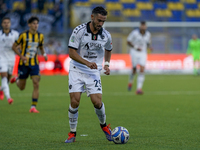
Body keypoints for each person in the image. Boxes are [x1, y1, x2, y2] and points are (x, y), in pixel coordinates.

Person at [65, 6, 113, 143]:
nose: (101, 24)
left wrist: (107, 64)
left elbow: (109, 49)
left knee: (97, 102)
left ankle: (104, 126)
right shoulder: (79, 31)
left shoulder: (106, 35)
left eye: (103, 21)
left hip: (93, 71)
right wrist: (86, 62)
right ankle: (72, 133)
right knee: (74, 101)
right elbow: (72, 53)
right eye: (99, 20)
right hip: (77, 69)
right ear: (92, 17)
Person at [11, 16, 48, 113]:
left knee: (36, 84)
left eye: (37, 24)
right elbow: (14, 46)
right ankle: (17, 79)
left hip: (34, 64)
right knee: (22, 87)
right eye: (34, 23)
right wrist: (21, 56)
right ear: (29, 25)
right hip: (23, 64)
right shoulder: (23, 35)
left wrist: (44, 54)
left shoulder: (40, 36)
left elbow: (41, 47)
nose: (36, 25)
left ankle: (33, 107)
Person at [127, 21, 152, 94]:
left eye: (144, 26)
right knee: (134, 69)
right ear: (140, 26)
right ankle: (130, 81)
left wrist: (149, 48)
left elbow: (148, 44)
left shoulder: (148, 34)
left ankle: (139, 89)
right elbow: (128, 42)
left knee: (142, 68)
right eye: (142, 26)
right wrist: (135, 47)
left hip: (143, 53)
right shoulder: (134, 33)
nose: (143, 27)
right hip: (134, 52)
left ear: (146, 27)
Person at [0, 17, 19, 104]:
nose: (6, 24)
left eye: (8, 22)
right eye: (4, 22)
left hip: (11, 58)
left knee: (7, 79)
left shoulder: (15, 34)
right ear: (2, 24)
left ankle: (1, 89)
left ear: (10, 24)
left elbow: (20, 44)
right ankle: (9, 98)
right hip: (1, 58)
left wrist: (17, 47)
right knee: (4, 76)